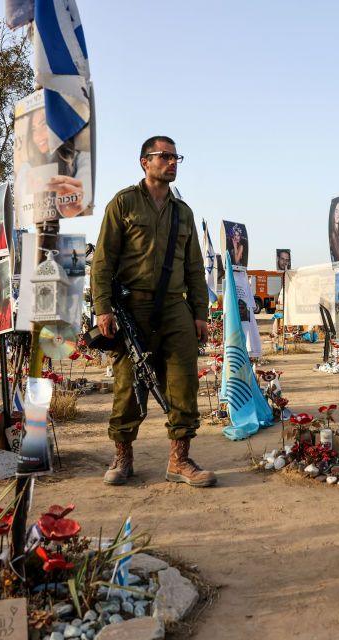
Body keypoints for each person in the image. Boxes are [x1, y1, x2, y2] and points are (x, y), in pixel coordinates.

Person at [91, 135, 215, 488]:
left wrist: (200, 313)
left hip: (176, 306)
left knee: (183, 383)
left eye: (176, 157)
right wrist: (103, 308)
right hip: (132, 307)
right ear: (145, 162)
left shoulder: (183, 212)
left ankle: (179, 459)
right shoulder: (124, 204)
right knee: (128, 385)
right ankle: (123, 457)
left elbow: (194, 267)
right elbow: (102, 262)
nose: (172, 162)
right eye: (165, 156)